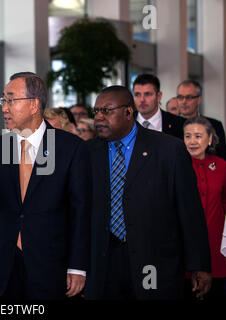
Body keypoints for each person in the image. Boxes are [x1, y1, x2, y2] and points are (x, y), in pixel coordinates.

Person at [0, 72, 91, 300]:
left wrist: (77, 266)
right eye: (3, 100)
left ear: (34, 105)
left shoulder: (70, 148)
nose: (4, 108)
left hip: (50, 266)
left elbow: (80, 212)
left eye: (11, 100)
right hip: (6, 265)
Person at [86, 85, 212, 300]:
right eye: (96, 111)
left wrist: (199, 264)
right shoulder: (87, 152)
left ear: (128, 112)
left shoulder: (168, 150)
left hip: (153, 262)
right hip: (103, 263)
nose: (99, 117)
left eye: (106, 110)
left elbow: (189, 210)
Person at [184, 116, 226, 300]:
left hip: (218, 249)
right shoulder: (176, 165)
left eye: (198, 136)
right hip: (185, 251)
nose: (192, 141)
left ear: (210, 138)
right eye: (188, 136)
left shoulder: (223, 166)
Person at [177, 79, 226, 159]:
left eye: (189, 97)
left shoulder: (214, 125)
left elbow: (221, 156)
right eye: (180, 97)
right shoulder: (171, 125)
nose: (184, 102)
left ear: (199, 100)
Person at [133, 74, 185, 139]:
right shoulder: (126, 123)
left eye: (147, 94)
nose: (142, 99)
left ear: (159, 96)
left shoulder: (179, 124)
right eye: (137, 95)